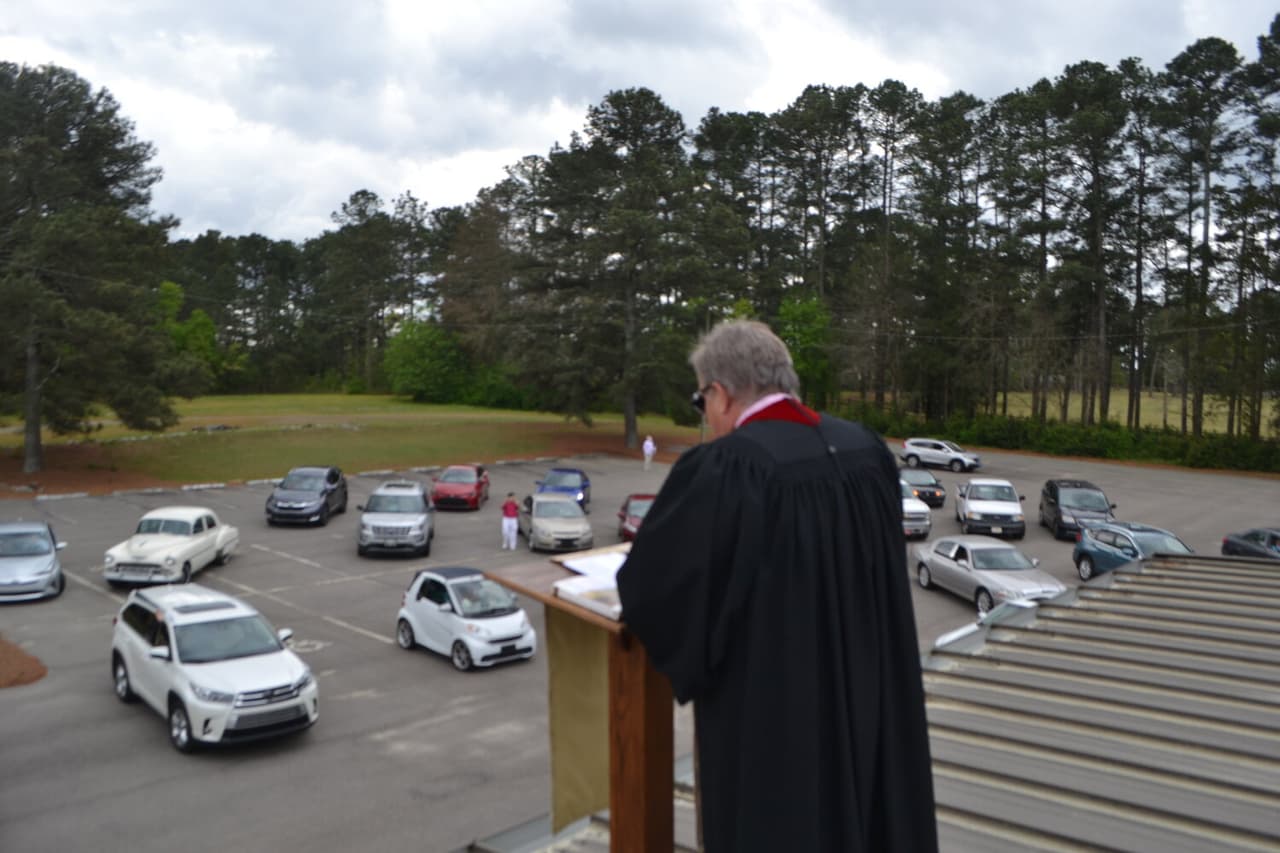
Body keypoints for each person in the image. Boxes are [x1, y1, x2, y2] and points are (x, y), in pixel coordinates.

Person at [616, 319, 937, 852]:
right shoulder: (866, 452)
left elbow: (655, 590)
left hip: (777, 718)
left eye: (702, 403)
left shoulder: (729, 467)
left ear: (718, 393)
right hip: (868, 697)